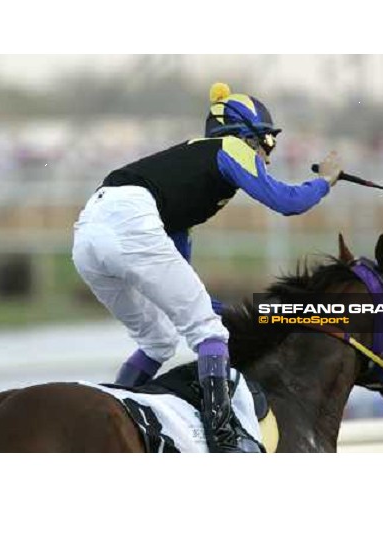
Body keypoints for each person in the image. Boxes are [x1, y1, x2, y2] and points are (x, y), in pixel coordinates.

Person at [72, 82, 342, 452]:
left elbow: (179, 279)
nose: (269, 152)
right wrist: (325, 180)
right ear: (247, 135)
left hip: (88, 234)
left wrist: (213, 305)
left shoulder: (189, 180)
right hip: (127, 220)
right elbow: (286, 201)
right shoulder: (230, 148)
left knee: (160, 340)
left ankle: (116, 411)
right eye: (268, 141)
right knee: (210, 333)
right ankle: (222, 436)